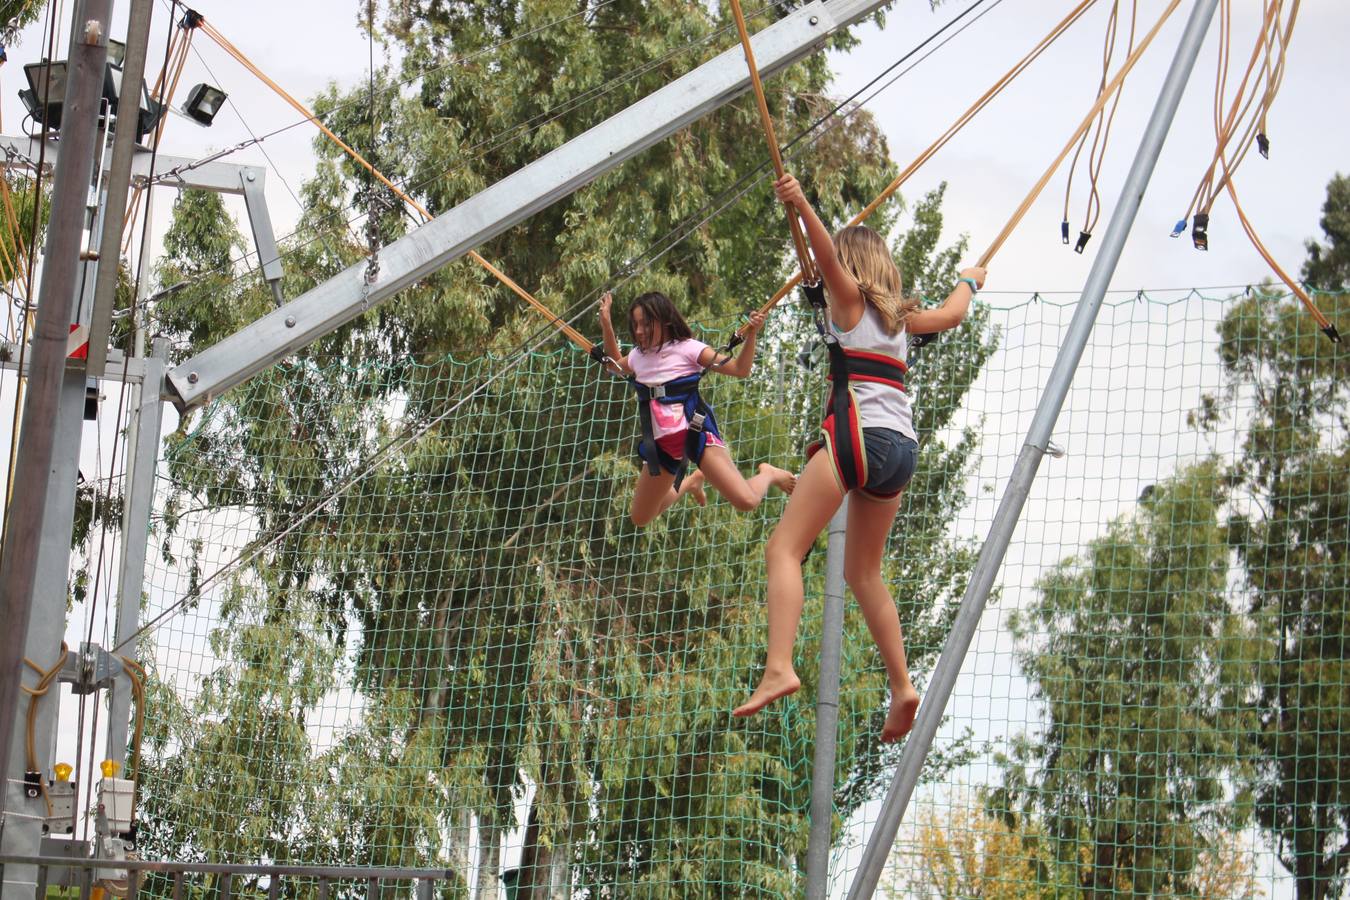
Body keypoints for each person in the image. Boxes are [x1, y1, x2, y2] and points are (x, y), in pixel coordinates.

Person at [732, 173, 987, 742]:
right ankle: (903, 685)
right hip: (901, 452)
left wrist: (802, 207)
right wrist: (969, 280)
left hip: (857, 441)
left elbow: (825, 258)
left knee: (784, 548)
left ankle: (779, 667)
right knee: (861, 572)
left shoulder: (848, 305)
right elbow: (951, 315)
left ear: (849, 271)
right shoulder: (899, 323)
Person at [599, 290, 796, 526]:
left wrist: (751, 334)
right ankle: (691, 482)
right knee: (641, 517)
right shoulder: (637, 357)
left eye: (646, 324)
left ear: (665, 321)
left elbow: (739, 370)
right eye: (636, 325)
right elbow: (612, 366)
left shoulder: (689, 349)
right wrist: (606, 324)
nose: (639, 331)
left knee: (747, 501)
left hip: (696, 432)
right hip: (661, 445)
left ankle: (769, 473)